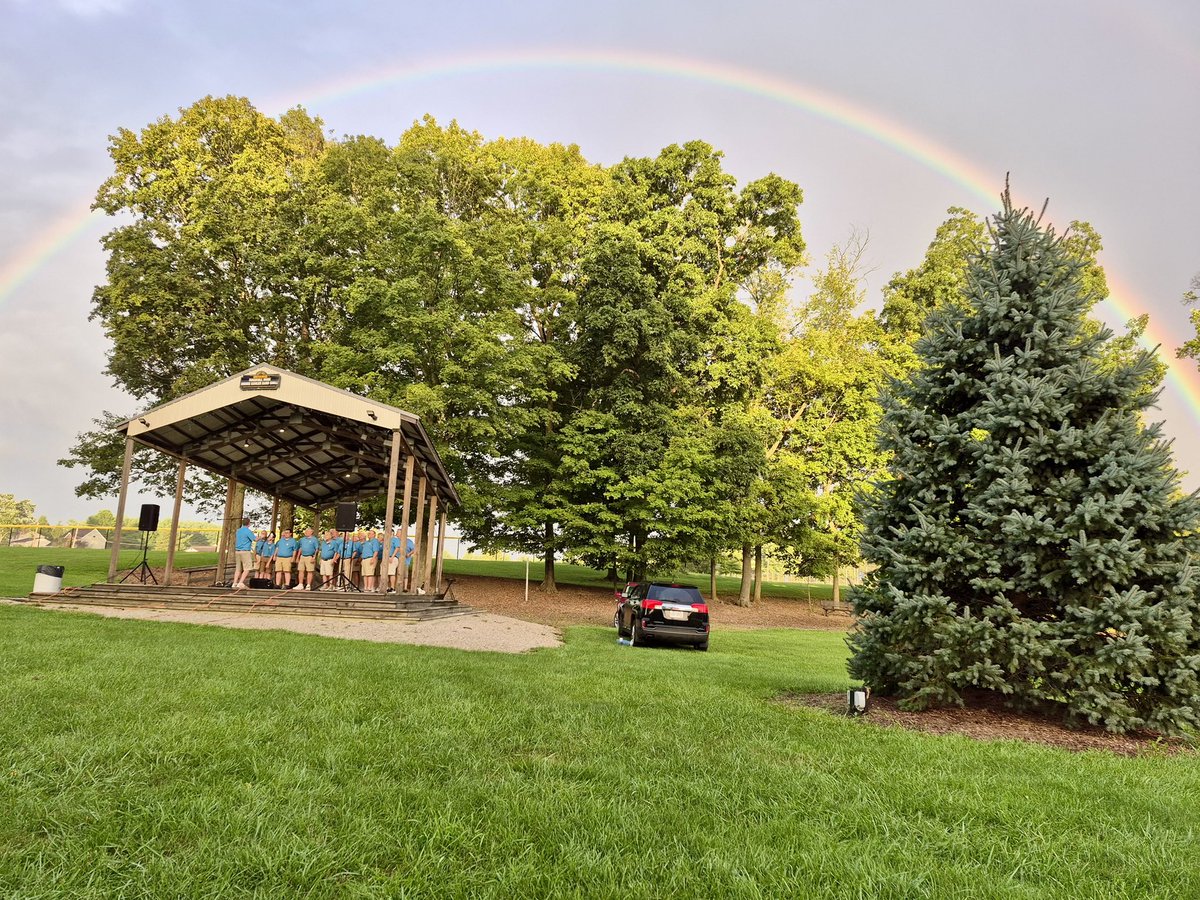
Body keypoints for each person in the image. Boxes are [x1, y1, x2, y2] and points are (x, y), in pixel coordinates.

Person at [386, 528, 416, 594]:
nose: (396, 533)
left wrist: (409, 554)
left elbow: (414, 549)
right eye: (397, 532)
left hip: (405, 560)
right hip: (396, 559)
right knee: (393, 573)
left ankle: (405, 588)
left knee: (405, 574)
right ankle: (393, 587)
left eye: (398, 532)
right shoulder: (395, 540)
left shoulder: (408, 541)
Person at [231, 517, 256, 589]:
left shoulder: (238, 531)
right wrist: (261, 537)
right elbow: (255, 539)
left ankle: (234, 583)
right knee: (247, 568)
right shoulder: (248, 531)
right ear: (249, 523)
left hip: (237, 551)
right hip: (245, 551)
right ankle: (240, 583)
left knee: (238, 568)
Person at [293, 526, 319, 591]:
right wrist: (297, 557)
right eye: (305, 531)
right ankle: (300, 584)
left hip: (310, 556)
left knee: (309, 571)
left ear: (311, 532)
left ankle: (308, 585)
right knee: (300, 570)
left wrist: (314, 557)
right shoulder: (302, 539)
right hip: (302, 556)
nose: (306, 532)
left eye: (307, 531)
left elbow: (317, 549)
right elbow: (300, 548)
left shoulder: (314, 539)